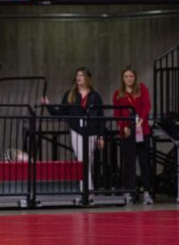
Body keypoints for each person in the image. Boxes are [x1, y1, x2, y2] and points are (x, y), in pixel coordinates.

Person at [41, 67, 105, 194]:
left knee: (88, 160)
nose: (79, 77)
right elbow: (60, 113)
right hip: (77, 131)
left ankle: (86, 188)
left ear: (88, 78)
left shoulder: (95, 95)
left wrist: (101, 136)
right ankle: (87, 191)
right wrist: (48, 106)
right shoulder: (70, 94)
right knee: (83, 160)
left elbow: (101, 117)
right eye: (77, 75)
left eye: (81, 75)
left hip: (92, 131)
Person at [112, 67, 153, 204]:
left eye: (131, 76)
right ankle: (130, 191)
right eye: (126, 76)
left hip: (142, 129)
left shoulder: (142, 89)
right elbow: (117, 114)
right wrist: (123, 127)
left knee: (144, 162)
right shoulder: (118, 94)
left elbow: (146, 106)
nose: (129, 79)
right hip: (127, 132)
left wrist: (141, 120)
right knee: (128, 163)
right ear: (122, 78)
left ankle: (146, 191)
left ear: (135, 77)